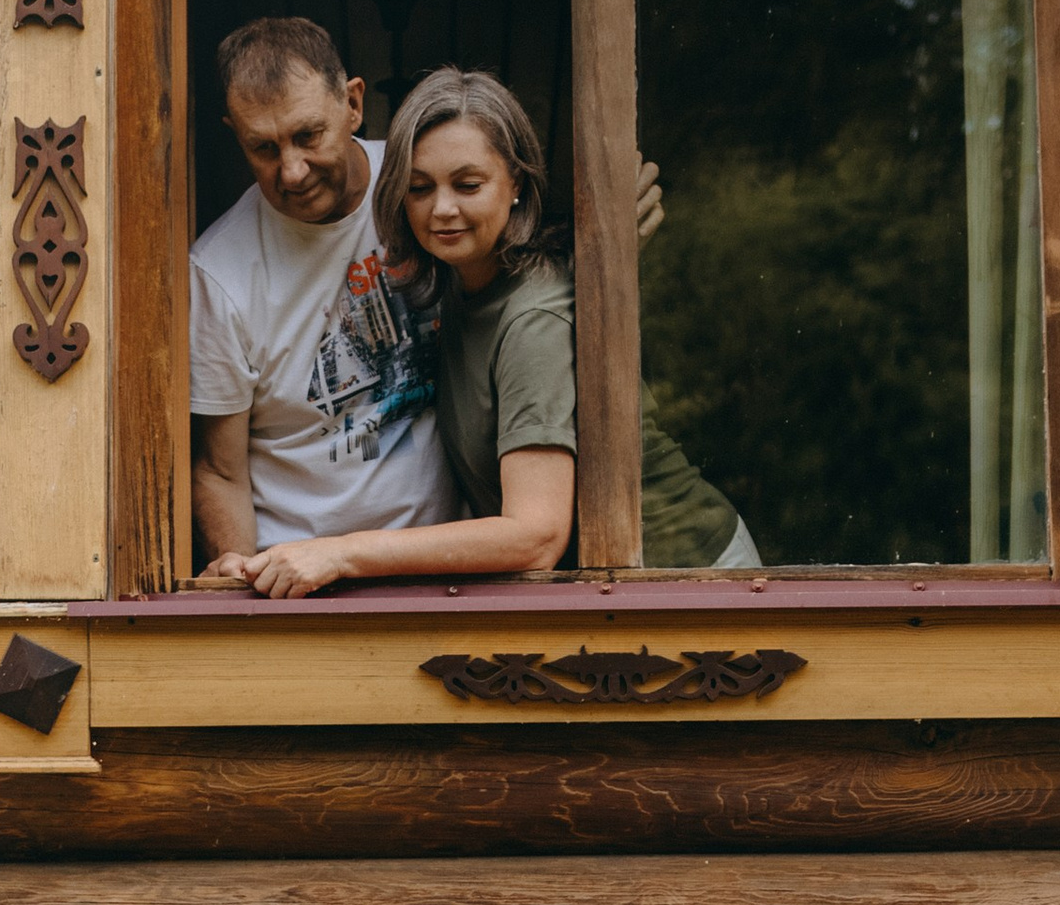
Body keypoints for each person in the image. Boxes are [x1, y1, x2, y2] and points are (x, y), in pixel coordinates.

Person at [203, 60, 755, 598]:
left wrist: (339, 552)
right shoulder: (461, 283)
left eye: (468, 184)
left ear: (516, 181)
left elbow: (536, 536)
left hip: (688, 578)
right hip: (601, 589)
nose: (442, 209)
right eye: (420, 188)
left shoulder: (534, 317)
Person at [187, 17, 450, 590]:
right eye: (263, 148)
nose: (292, 171)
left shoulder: (424, 187)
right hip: (298, 583)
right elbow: (220, 469)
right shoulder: (218, 271)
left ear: (353, 104)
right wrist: (236, 566)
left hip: (444, 565)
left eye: (308, 135)